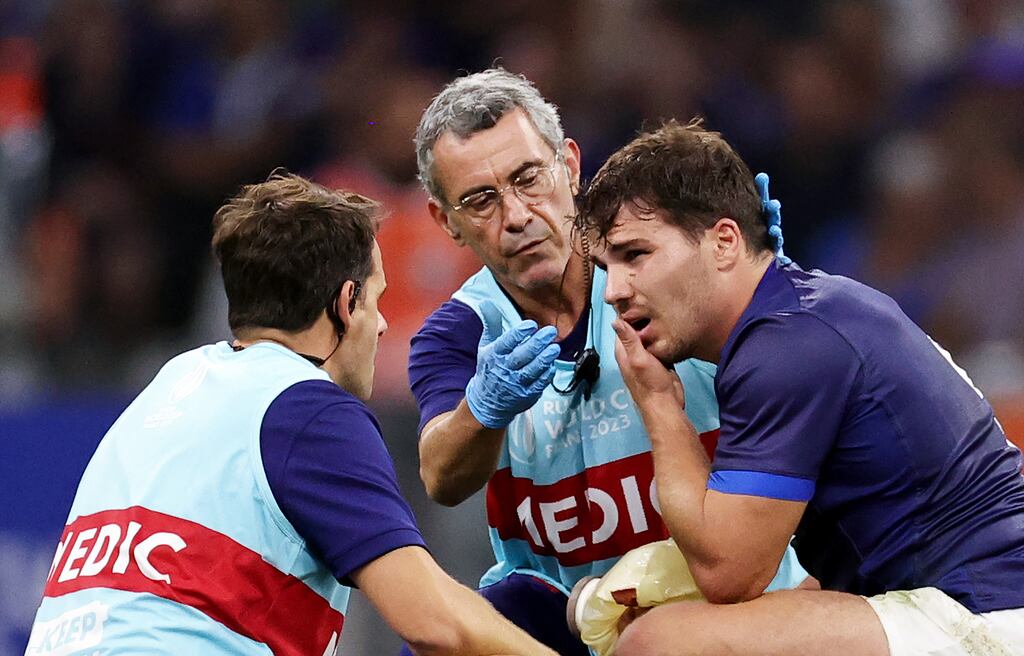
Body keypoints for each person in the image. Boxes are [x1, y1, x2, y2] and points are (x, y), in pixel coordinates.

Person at [25, 172, 558, 656]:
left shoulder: (172, 383)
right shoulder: (308, 408)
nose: (382, 327)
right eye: (376, 300)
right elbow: (433, 622)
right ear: (346, 304)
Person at [575, 119, 1024, 655]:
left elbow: (729, 574)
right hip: (948, 599)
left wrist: (659, 403)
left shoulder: (786, 345)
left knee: (662, 642)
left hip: (982, 611)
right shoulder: (800, 316)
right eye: (607, 267)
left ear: (723, 242)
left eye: (635, 255)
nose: (615, 293)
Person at [408, 68, 808, 654]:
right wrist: (482, 409)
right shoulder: (460, 334)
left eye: (528, 179)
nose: (516, 216)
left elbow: (806, 363)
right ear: (446, 222)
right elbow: (441, 477)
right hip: (569, 620)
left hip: (736, 604)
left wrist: (769, 289)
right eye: (481, 201)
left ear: (569, 166)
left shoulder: (670, 264)